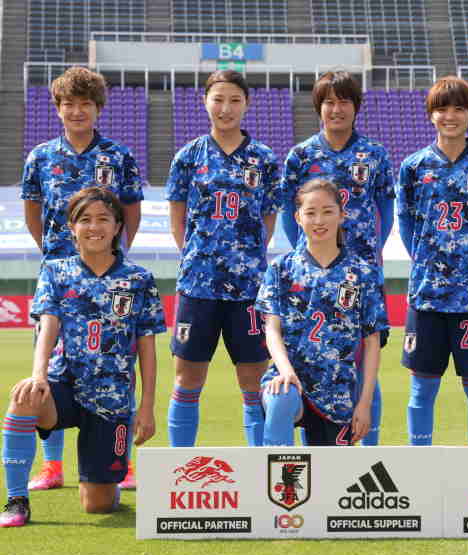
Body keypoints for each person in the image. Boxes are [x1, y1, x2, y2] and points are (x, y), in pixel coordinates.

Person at [1, 187, 165, 527]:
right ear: (72, 228)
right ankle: (16, 500)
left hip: (112, 400)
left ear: (118, 226)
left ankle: (108, 484)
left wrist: (146, 406)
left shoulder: (139, 279)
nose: (94, 227)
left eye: (103, 219)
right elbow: (48, 324)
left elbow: (147, 348)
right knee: (24, 397)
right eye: (85, 220)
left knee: (98, 506)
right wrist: (39, 375)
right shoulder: (56, 272)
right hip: (65, 386)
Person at [21, 66, 144, 491]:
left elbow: (130, 211)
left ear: (97, 108)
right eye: (68, 104)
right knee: (51, 370)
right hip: (60, 278)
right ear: (57, 109)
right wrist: (56, 253)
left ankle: (120, 460)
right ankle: (51, 466)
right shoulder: (40, 157)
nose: (76, 111)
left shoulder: (119, 156)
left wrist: (112, 257)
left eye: (85, 104)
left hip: (110, 279)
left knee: (117, 367)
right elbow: (33, 213)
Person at [165, 70, 279, 448]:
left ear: (246, 103)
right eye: (218, 99)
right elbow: (178, 220)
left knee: (253, 383)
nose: (225, 108)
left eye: (234, 100)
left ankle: (259, 467)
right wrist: (200, 258)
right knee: (186, 380)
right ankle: (180, 466)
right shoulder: (188, 156)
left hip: (249, 290)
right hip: (198, 286)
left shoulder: (263, 159)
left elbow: (268, 219)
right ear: (205, 102)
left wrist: (244, 260)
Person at [280, 70, 394, 446]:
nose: (336, 108)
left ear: (356, 106)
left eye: (344, 100)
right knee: (307, 368)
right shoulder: (300, 156)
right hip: (310, 281)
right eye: (329, 101)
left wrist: (370, 254)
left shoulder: (375, 154)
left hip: (359, 280)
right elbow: (287, 213)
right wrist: (309, 257)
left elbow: (387, 211)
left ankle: (369, 449)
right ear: (319, 107)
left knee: (365, 365)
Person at [396, 76, 468, 446]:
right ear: (431, 115)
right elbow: (407, 223)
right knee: (422, 390)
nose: (450, 116)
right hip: (427, 296)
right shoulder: (413, 167)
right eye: (442, 108)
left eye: (459, 108)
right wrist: (432, 260)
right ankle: (420, 460)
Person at [257, 179, 388, 446]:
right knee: (282, 398)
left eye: (328, 211)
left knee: (330, 481)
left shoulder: (363, 272)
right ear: (297, 217)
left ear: (342, 215)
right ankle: (280, 482)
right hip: (291, 378)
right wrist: (285, 370)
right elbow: (272, 328)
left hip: (338, 390)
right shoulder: (281, 269)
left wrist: (364, 404)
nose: (319, 220)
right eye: (311, 212)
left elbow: (373, 342)